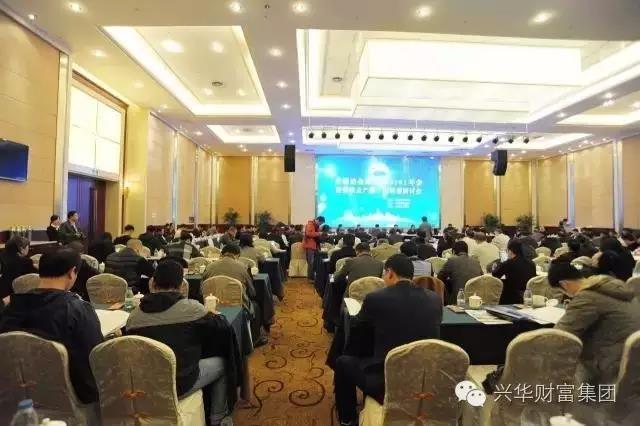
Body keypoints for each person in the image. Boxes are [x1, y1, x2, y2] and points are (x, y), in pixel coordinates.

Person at [126, 260, 240, 425]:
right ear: (181, 285)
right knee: (223, 363)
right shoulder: (192, 309)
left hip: (145, 385)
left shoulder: (134, 316)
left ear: (153, 284)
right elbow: (221, 330)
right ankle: (218, 418)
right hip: (180, 383)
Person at [333, 254, 442, 426]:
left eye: (385, 273)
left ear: (390, 272)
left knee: (342, 362)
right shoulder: (434, 299)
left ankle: (347, 419)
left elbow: (358, 331)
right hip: (423, 377)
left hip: (386, 380)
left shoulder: (375, 298)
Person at [0, 248, 103, 403]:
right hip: (68, 401)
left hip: (16, 397)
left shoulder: (11, 307)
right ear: (72, 272)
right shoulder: (78, 309)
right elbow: (95, 360)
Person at [548, 261, 640, 385]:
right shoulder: (613, 288)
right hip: (632, 359)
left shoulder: (587, 297)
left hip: (610, 366)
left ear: (564, 284)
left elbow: (558, 336)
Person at [202, 244, 265, 344]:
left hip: (212, 305)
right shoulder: (243, 267)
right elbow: (252, 292)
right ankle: (255, 339)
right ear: (237, 255)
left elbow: (202, 288)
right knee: (256, 306)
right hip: (237, 306)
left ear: (222, 254)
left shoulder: (209, 267)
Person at [492, 239, 536, 305]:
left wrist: (494, 268)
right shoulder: (531, 263)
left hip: (511, 298)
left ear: (510, 251)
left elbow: (495, 275)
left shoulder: (508, 263)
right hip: (528, 295)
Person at [303, 216, 325, 280]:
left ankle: (314, 276)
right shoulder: (310, 224)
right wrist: (319, 233)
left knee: (315, 261)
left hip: (315, 245)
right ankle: (310, 277)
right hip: (310, 245)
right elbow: (308, 233)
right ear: (317, 220)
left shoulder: (316, 225)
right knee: (311, 262)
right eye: (320, 223)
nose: (320, 224)